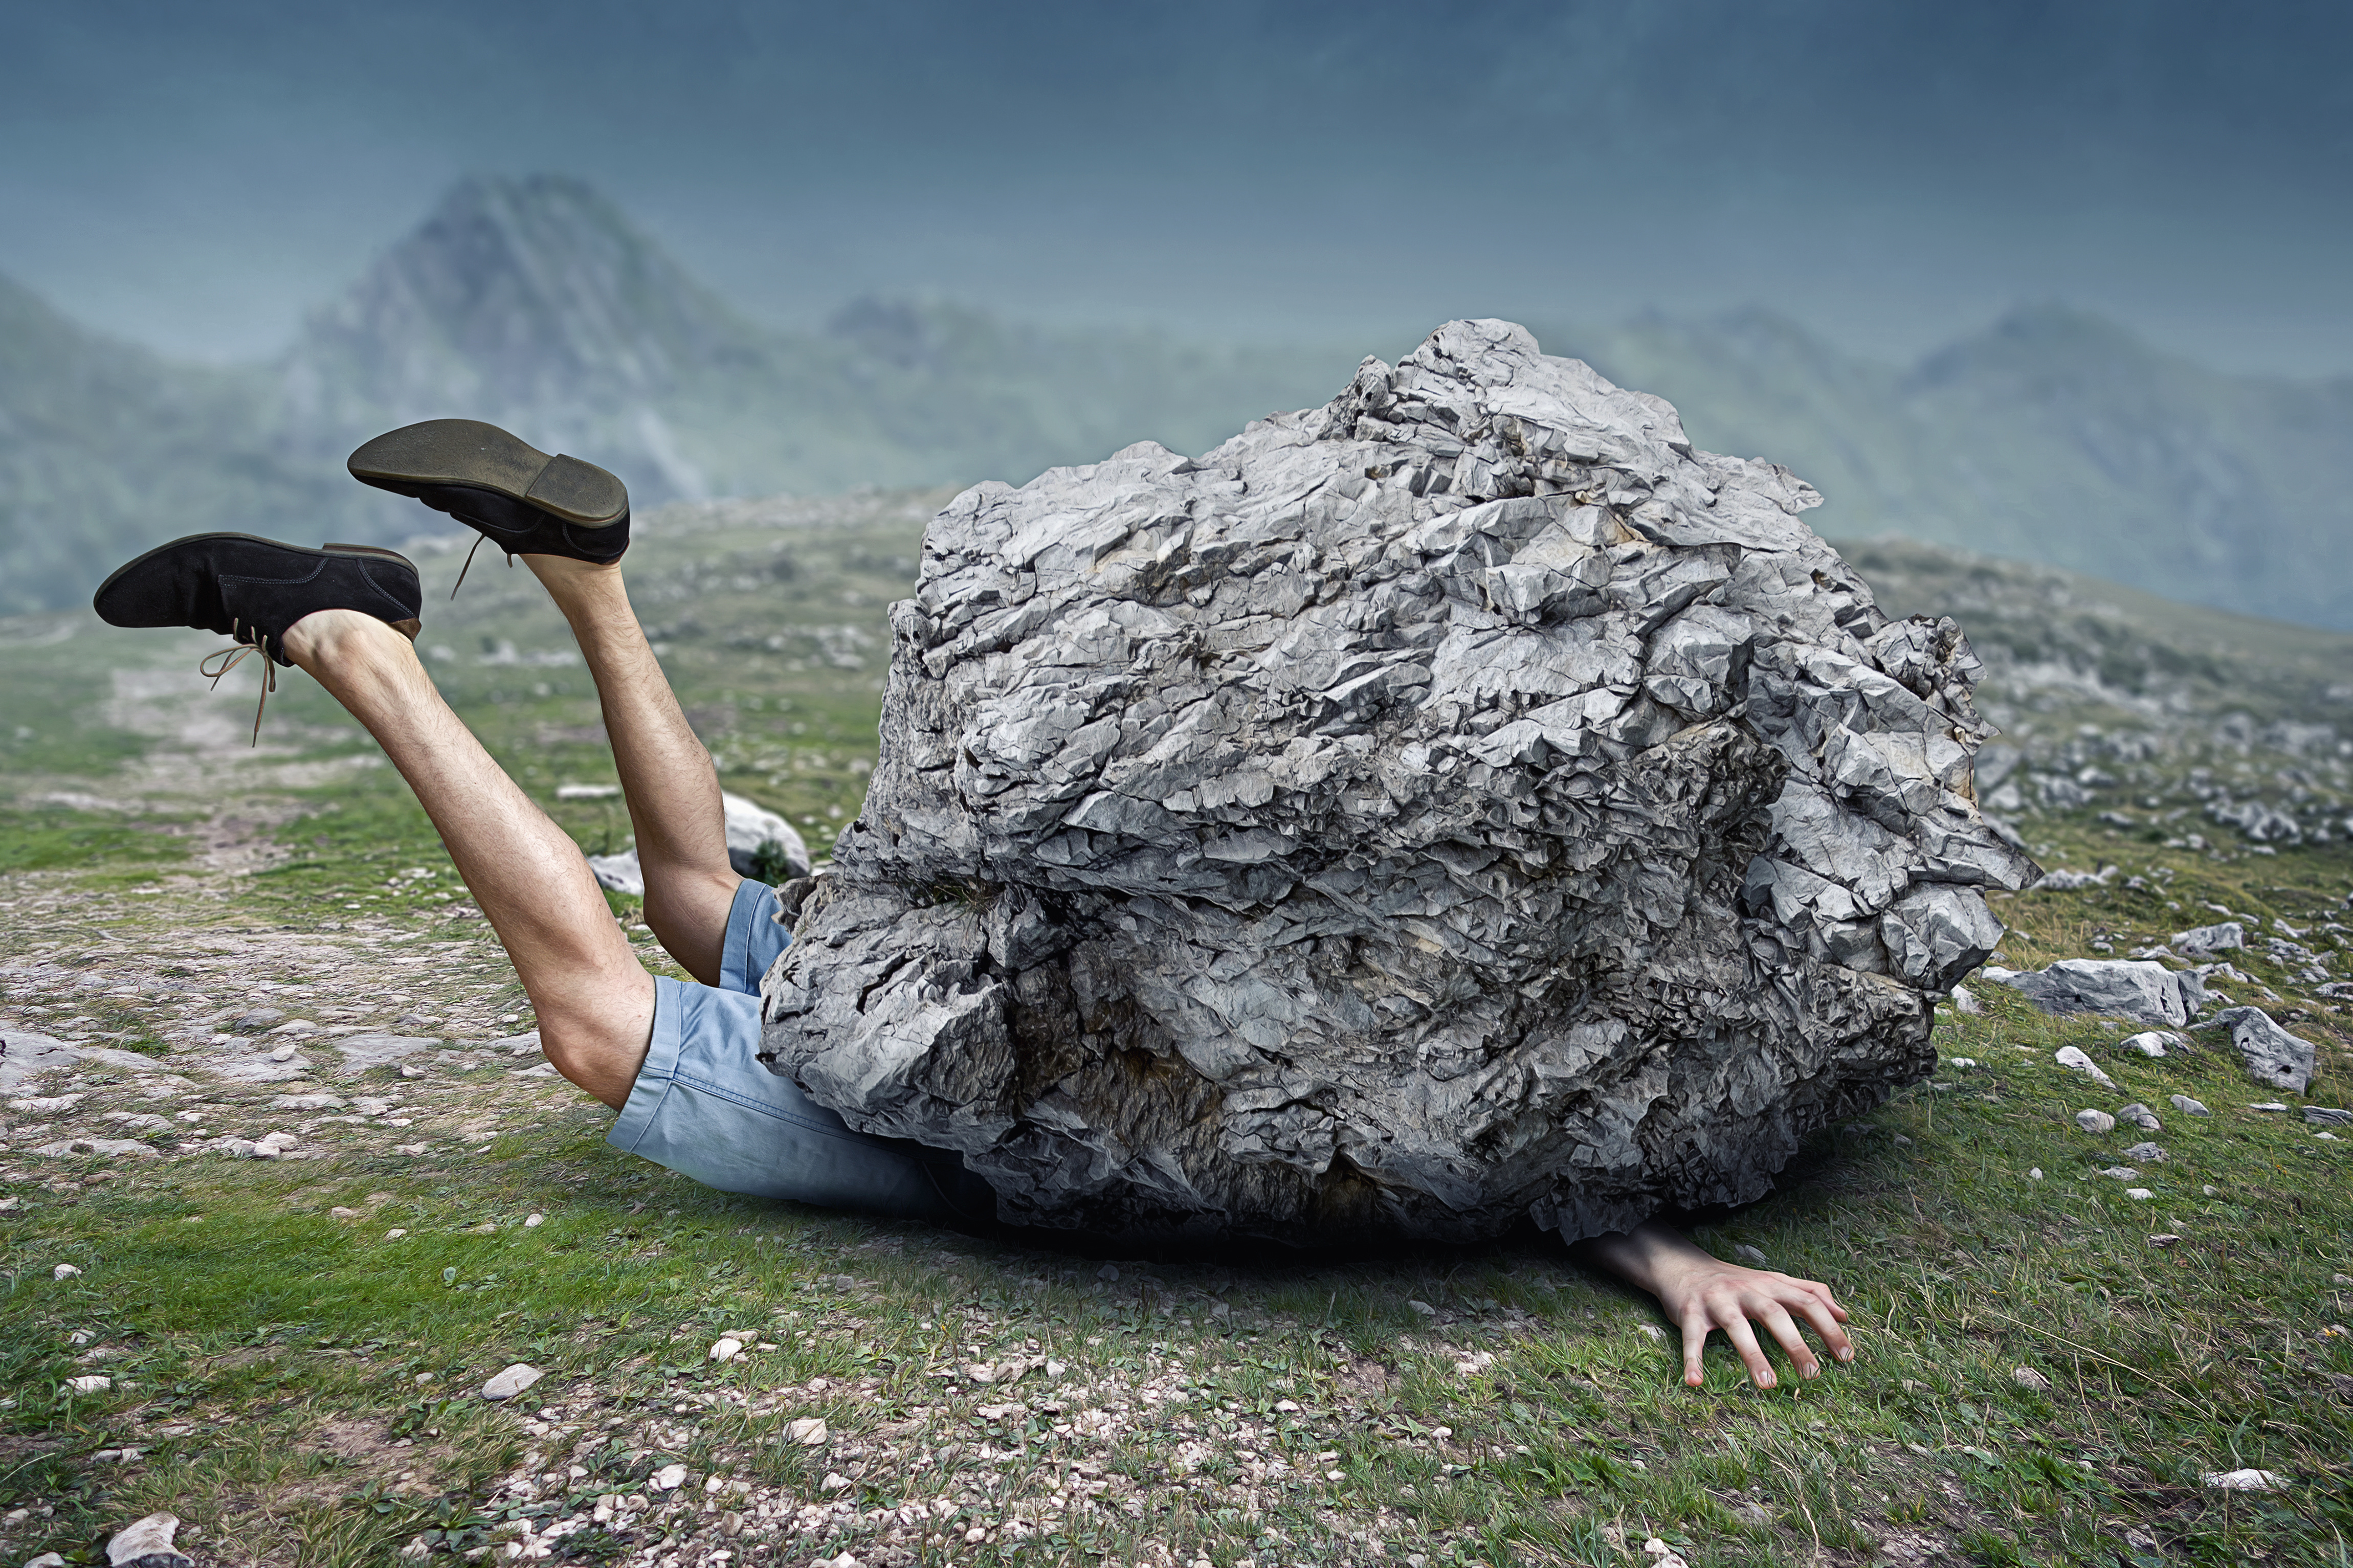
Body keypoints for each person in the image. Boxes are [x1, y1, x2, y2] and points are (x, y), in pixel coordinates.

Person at [94, 419, 1854, 1391]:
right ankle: (357, 640)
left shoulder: (1430, 878)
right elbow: (1501, 1112)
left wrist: (1665, 1241)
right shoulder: (1497, 971)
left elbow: (1493, 1093)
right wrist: (1661, 1239)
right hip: (1032, 1095)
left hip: (1022, 967)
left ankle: (579, 579)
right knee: (603, 1021)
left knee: (709, 909)